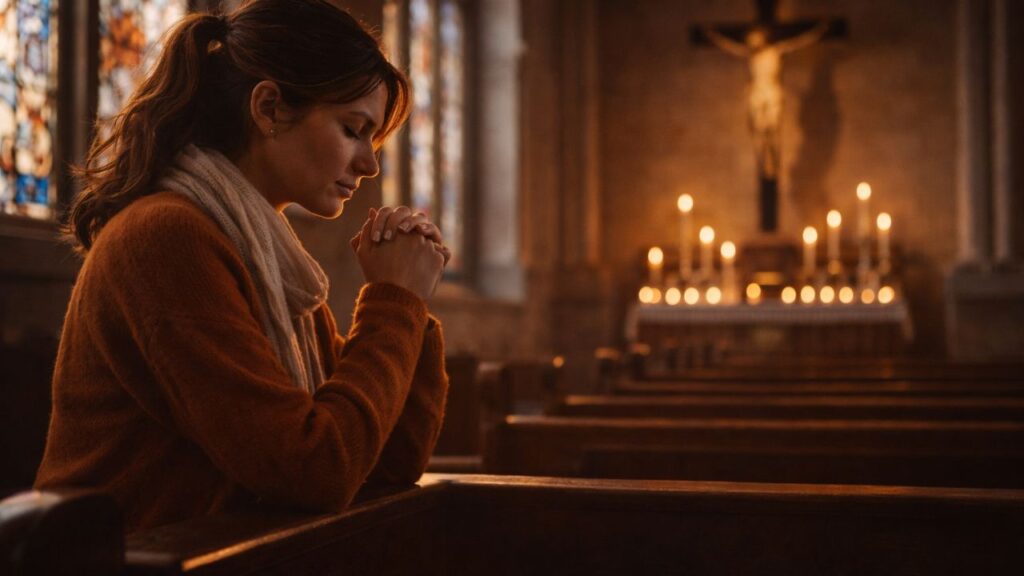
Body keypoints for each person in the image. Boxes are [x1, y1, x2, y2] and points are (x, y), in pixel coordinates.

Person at [34, 0, 450, 533]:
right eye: (353, 129)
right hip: (137, 563)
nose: (370, 164)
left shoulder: (269, 259)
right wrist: (396, 303)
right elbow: (315, 469)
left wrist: (408, 307)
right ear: (270, 107)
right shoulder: (167, 239)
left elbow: (386, 462)